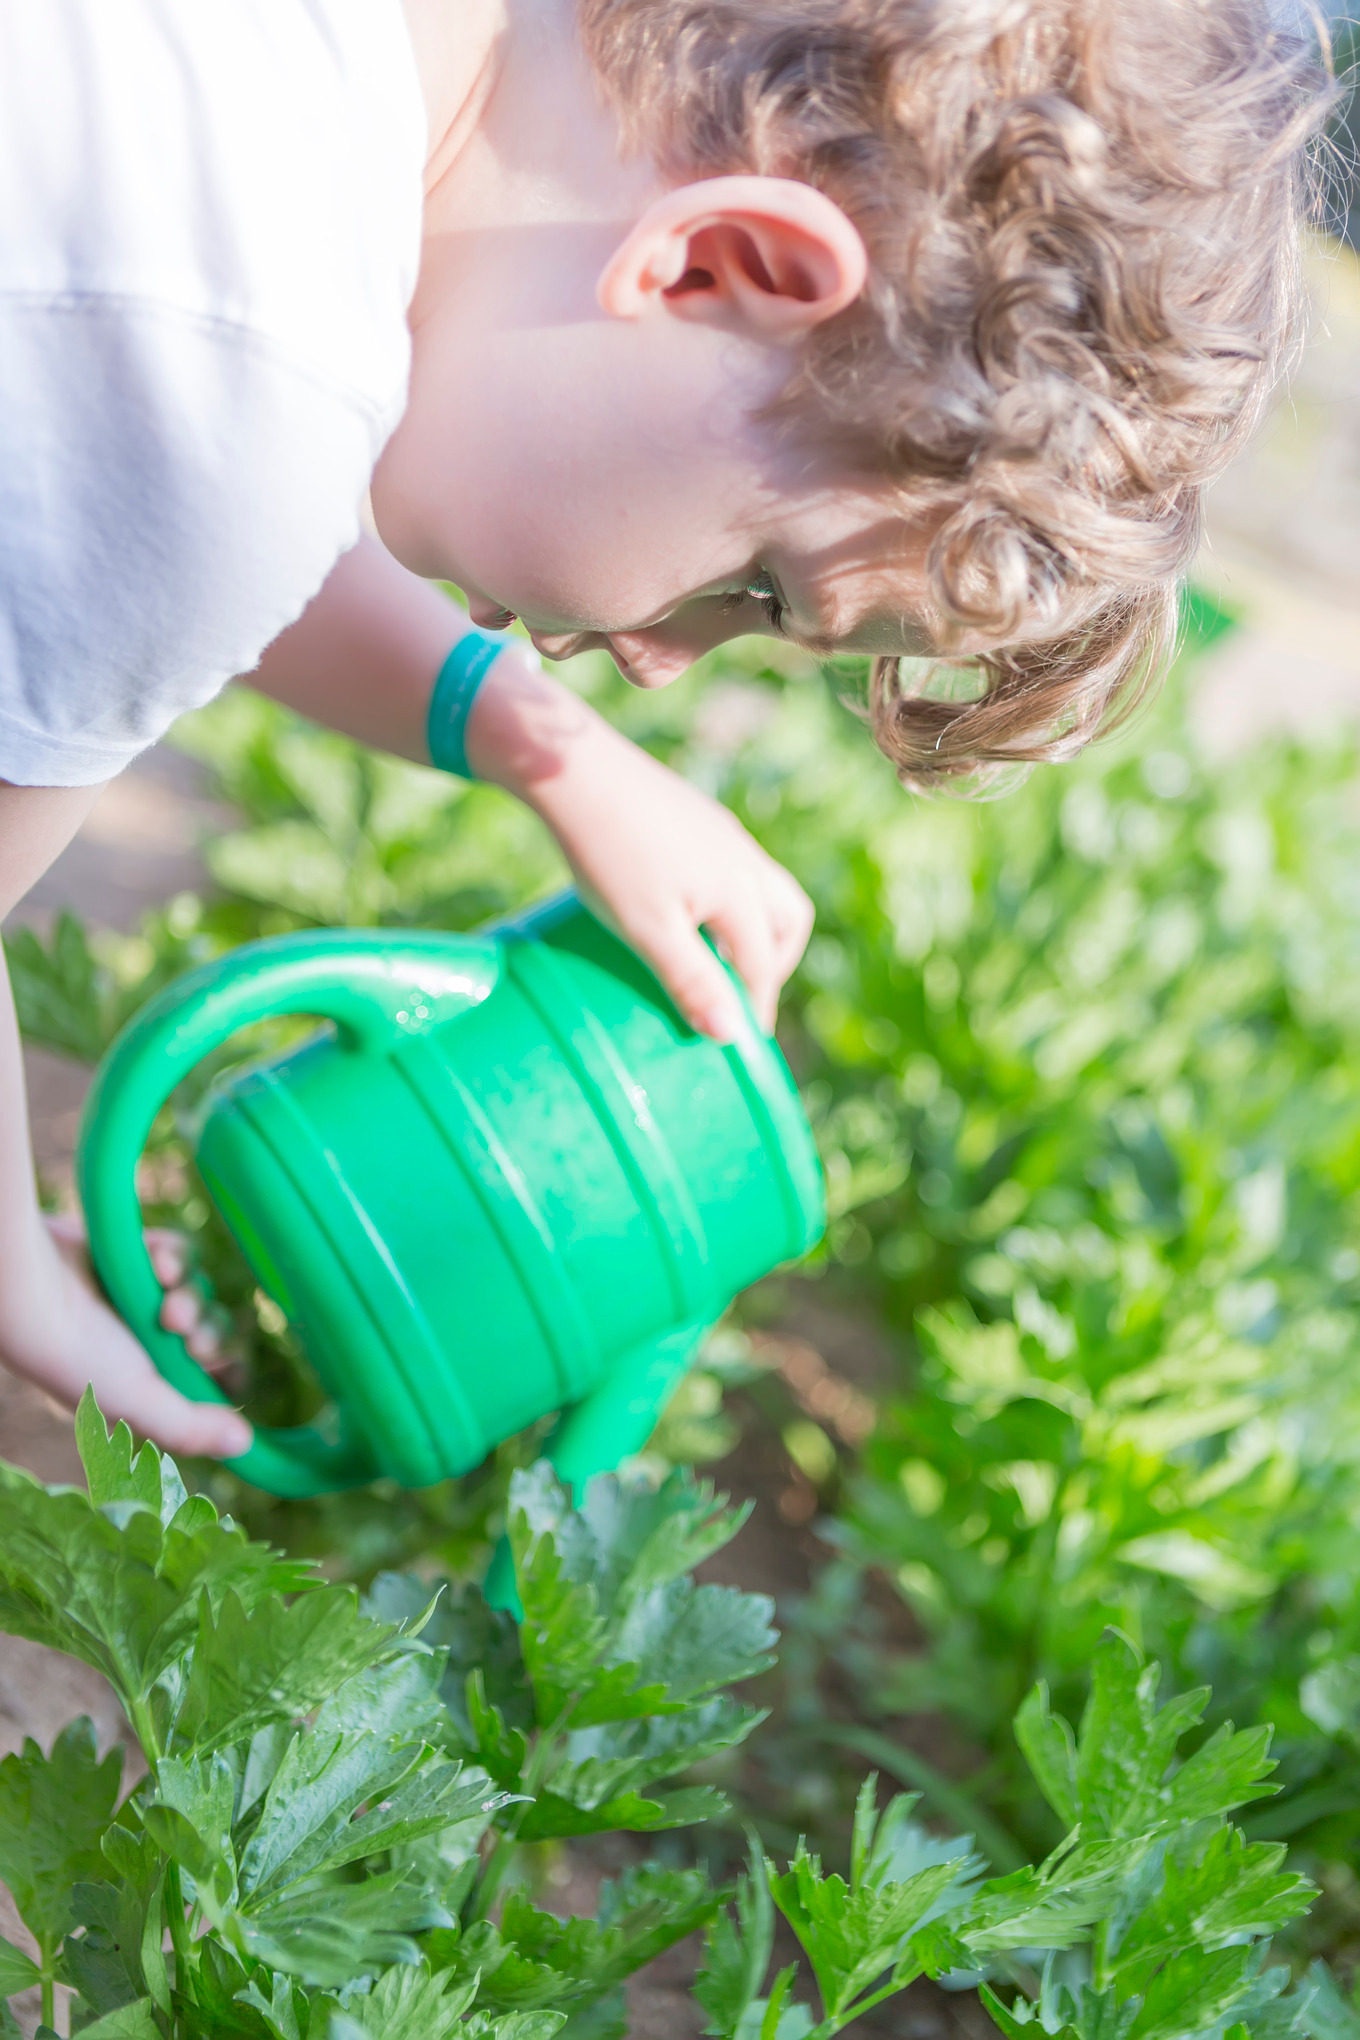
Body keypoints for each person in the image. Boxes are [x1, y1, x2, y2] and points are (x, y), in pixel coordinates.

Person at [0, 0, 1327, 1458]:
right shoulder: (240, 386)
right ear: (720, 265)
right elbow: (211, 483)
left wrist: (543, 747)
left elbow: (155, 496)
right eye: (757, 587)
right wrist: (21, 1283)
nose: (652, 660)